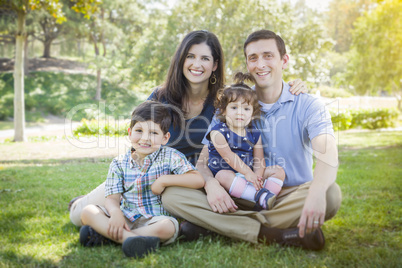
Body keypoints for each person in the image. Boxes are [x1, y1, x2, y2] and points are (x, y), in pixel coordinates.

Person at [68, 30, 307, 227]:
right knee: (79, 217)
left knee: (171, 210)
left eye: (205, 58)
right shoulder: (160, 98)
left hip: (194, 181)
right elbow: (139, 140)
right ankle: (81, 203)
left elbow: (254, 99)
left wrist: (295, 84)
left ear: (215, 65)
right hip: (149, 175)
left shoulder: (223, 103)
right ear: (181, 60)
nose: (196, 64)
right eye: (190, 56)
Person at [161, 30, 342, 251]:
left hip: (284, 196)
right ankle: (275, 233)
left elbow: (328, 155)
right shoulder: (234, 103)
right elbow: (204, 161)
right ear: (247, 64)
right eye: (253, 58)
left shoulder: (308, 104)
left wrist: (315, 193)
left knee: (330, 193)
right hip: (235, 192)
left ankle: (218, 226)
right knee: (171, 195)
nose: (260, 64)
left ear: (284, 60)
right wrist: (212, 185)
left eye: (268, 55)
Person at [79, 101, 205, 258]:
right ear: (130, 133)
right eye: (139, 130)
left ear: (165, 138)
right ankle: (132, 240)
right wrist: (116, 213)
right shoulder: (119, 163)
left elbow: (197, 179)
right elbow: (112, 198)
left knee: (169, 227)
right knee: (88, 212)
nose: (145, 138)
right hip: (126, 215)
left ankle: (108, 237)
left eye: (153, 133)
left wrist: (164, 180)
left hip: (154, 219)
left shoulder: (171, 156)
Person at [206, 72, 285, 211]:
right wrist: (248, 173)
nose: (240, 112)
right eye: (234, 107)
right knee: (222, 176)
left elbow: (259, 160)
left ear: (252, 113)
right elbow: (230, 157)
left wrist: (257, 179)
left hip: (248, 177)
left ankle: (264, 197)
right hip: (227, 178)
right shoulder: (218, 132)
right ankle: (258, 197)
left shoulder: (254, 133)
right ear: (223, 110)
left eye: (246, 108)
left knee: (278, 171)